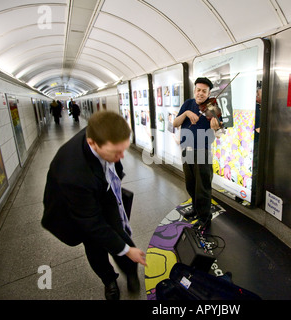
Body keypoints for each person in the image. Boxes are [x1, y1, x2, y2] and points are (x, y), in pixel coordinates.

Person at [42, 111, 147, 300]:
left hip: (100, 189)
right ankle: (109, 280)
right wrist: (126, 250)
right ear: (92, 143)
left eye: (123, 150)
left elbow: (113, 165)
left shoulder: (102, 132)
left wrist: (124, 246)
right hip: (74, 207)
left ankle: (131, 272)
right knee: (95, 244)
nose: (121, 156)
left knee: (118, 232)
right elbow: (92, 222)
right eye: (116, 152)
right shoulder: (73, 175)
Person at [173, 77, 223, 230]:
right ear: (194, 90)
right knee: (191, 185)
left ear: (208, 93)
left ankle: (204, 218)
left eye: (204, 91)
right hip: (186, 150)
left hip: (202, 151)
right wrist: (187, 113)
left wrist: (215, 128)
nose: (200, 93)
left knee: (203, 188)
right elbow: (175, 123)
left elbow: (220, 133)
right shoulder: (188, 104)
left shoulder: (212, 108)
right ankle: (196, 209)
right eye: (198, 90)